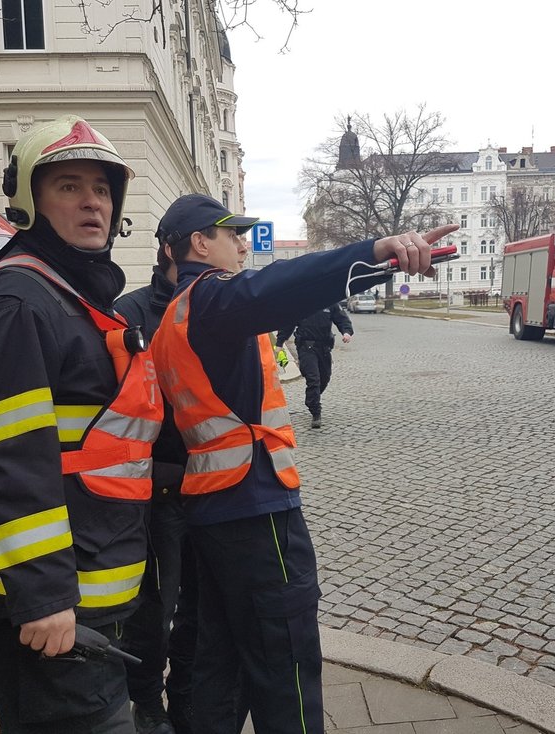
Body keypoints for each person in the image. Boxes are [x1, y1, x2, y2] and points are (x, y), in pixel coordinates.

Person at [148, 192, 455, 734]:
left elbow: (286, 293)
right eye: (232, 235)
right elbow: (284, 285)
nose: (243, 246)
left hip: (213, 506)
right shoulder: (214, 299)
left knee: (219, 660)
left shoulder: (177, 312)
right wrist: (376, 248)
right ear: (199, 243)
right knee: (285, 667)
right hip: (255, 509)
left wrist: (379, 266)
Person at [0, 115, 163, 734]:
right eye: (68, 186)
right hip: (59, 606)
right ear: (29, 203)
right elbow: (4, 455)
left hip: (92, 584)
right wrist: (43, 596)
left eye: (101, 187)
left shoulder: (73, 294)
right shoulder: (20, 300)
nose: (91, 201)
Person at [114, 243, 194, 734]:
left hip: (218, 489)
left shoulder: (222, 307)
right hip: (159, 495)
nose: (242, 248)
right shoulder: (131, 311)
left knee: (204, 606)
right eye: (227, 236)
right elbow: (119, 412)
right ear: (177, 248)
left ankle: (188, 699)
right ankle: (147, 703)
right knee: (154, 609)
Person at [275, 303, 354, 429]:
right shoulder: (302, 302)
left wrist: (346, 332)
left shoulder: (331, 302)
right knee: (313, 379)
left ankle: (312, 398)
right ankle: (315, 412)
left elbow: (342, 319)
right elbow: (288, 324)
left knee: (324, 378)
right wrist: (279, 343)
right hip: (306, 348)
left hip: (324, 348)